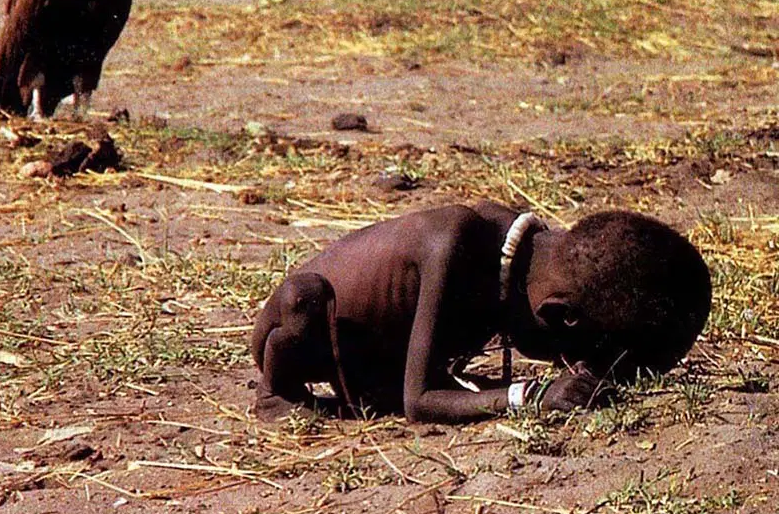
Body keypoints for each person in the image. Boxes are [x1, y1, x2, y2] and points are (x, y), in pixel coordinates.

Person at [251, 201, 711, 423]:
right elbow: (419, 401)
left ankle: (368, 387)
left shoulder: (523, 258)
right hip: (304, 328)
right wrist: (528, 396)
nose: (572, 367)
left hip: (374, 355)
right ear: (558, 317)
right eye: (576, 355)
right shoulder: (454, 246)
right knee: (302, 302)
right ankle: (277, 395)